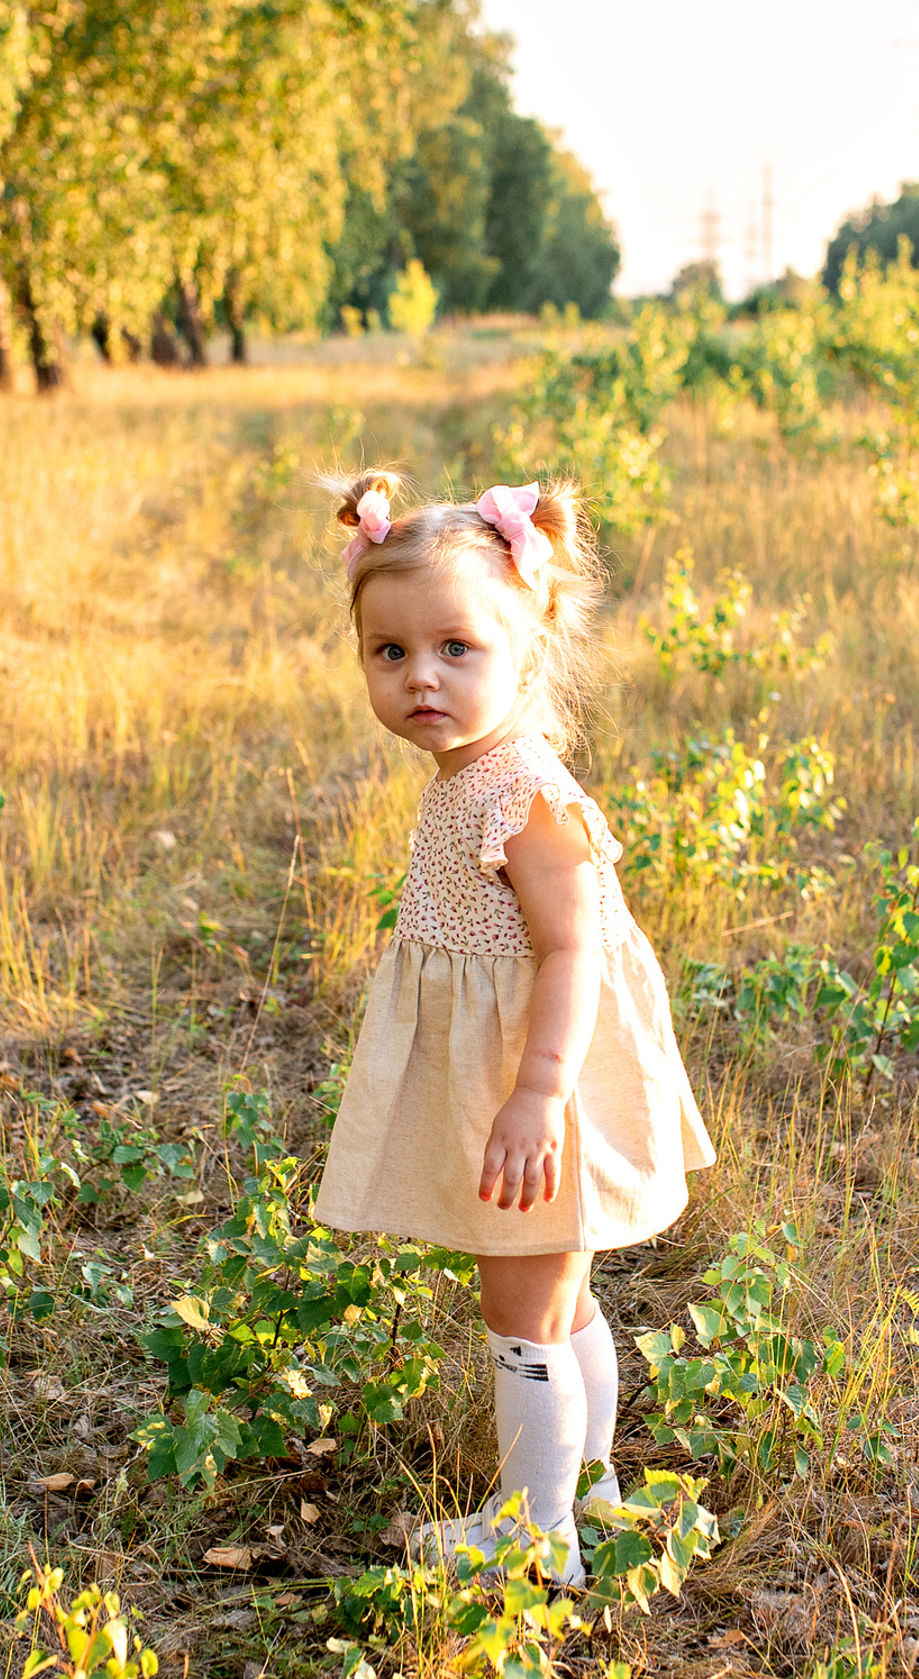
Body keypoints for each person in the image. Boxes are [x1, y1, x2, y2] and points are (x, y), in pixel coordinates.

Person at [312, 468, 714, 1587]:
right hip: (522, 1067)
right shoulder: (468, 773)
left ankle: (536, 1540)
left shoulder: (522, 792)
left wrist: (537, 1092)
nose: (420, 677)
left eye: (455, 649)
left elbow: (574, 948)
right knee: (559, 1294)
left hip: (548, 1075)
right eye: (390, 654)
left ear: (526, 647)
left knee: (523, 1306)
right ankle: (582, 1495)